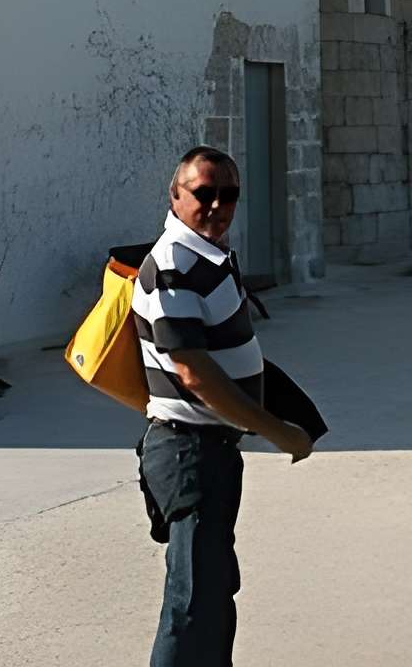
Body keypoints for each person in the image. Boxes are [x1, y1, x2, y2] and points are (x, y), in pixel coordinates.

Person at [132, 147, 312, 666]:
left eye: (228, 194)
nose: (216, 205)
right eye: (203, 194)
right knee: (190, 605)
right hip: (188, 453)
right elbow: (193, 370)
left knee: (213, 595)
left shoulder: (205, 258)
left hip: (211, 450)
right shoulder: (172, 266)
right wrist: (276, 430)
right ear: (175, 196)